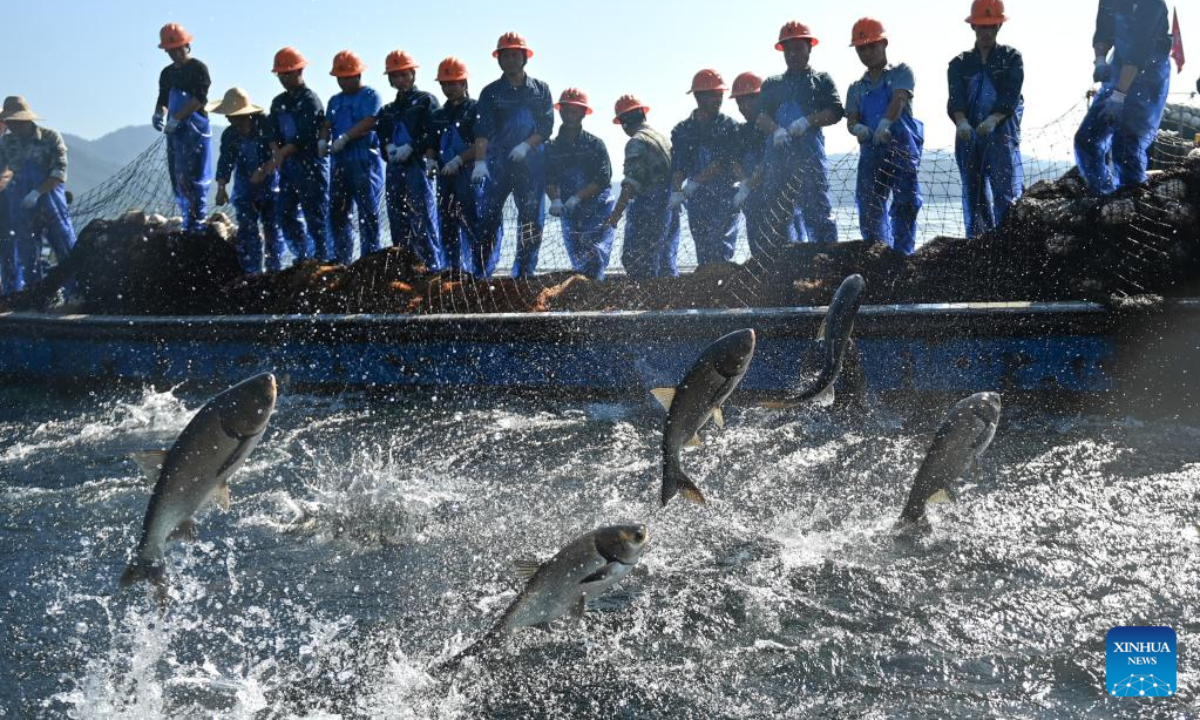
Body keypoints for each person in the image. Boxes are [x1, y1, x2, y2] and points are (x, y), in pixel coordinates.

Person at [755, 21, 845, 258]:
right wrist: (776, 130)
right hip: (778, 160)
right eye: (789, 49)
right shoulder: (772, 84)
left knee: (817, 210)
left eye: (798, 48)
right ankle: (785, 262)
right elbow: (759, 116)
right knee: (778, 211)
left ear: (809, 48)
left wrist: (808, 121)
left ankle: (825, 259)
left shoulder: (821, 80)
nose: (793, 54)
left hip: (810, 158)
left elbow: (835, 111)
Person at [472, 32, 554, 277]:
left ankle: (524, 274)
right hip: (498, 164)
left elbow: (546, 127)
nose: (510, 60)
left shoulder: (540, 90)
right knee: (488, 219)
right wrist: (479, 161)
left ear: (524, 57)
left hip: (531, 165)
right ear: (499, 59)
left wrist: (526, 145)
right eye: (505, 55)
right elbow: (482, 128)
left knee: (531, 220)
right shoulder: (490, 93)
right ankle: (482, 273)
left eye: (514, 55)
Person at [1075, 0, 1172, 195]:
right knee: (1086, 139)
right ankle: (1101, 195)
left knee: (1126, 144)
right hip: (1118, 65)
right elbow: (1103, 32)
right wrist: (1100, 60)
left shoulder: (1153, 4)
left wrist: (1119, 96)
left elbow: (1139, 51)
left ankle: (1132, 200)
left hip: (1150, 72)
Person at [845, 18, 924, 254]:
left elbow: (899, 99)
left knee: (905, 203)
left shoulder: (901, 72)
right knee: (869, 206)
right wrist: (857, 128)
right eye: (861, 48)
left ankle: (903, 254)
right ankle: (878, 254)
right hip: (871, 154)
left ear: (884, 43)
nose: (867, 52)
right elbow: (852, 118)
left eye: (872, 46)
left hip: (901, 149)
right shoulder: (856, 87)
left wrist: (885, 123)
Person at [948, 0, 1025, 238]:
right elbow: (956, 98)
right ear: (973, 28)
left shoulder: (1011, 58)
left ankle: (1006, 243)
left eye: (991, 26)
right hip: (968, 136)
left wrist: (994, 119)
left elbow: (1011, 95)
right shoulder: (959, 63)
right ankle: (979, 243)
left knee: (1005, 191)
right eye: (982, 27)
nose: (986, 32)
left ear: (999, 26)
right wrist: (961, 121)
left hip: (1001, 135)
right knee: (974, 193)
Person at [0, 96, 75, 294]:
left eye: (15, 122)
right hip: (20, 203)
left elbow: (60, 173)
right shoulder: (6, 143)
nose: (11, 126)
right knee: (26, 251)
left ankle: (74, 294)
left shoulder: (51, 137)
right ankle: (33, 295)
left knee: (63, 245)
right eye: (8, 122)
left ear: (26, 120)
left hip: (50, 198)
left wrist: (37, 192)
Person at [376, 50, 443, 270]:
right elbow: (382, 138)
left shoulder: (426, 101)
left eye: (404, 74)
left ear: (413, 75)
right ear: (390, 79)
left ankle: (431, 269)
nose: (400, 80)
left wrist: (413, 146)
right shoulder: (387, 110)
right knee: (398, 221)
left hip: (418, 167)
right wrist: (388, 147)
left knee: (423, 219)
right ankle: (405, 270)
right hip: (395, 171)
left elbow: (435, 132)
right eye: (395, 76)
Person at [670, 70, 741, 267]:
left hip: (725, 196)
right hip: (698, 201)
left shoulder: (729, 127)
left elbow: (723, 161)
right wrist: (677, 190)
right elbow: (679, 164)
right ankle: (709, 289)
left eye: (720, 94)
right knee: (703, 247)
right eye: (713, 95)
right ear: (698, 96)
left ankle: (722, 287)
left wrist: (693, 183)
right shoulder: (682, 130)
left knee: (720, 246)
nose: (719, 99)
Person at [603, 96, 680, 278]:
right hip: (670, 207)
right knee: (665, 262)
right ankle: (670, 303)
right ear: (643, 114)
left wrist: (615, 215)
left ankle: (647, 302)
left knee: (637, 261)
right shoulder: (661, 138)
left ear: (623, 123)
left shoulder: (636, 142)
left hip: (649, 209)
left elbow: (631, 184)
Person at [729, 72, 808, 247]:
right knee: (759, 253)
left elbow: (775, 159)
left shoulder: (778, 123)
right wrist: (743, 182)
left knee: (791, 248)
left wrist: (752, 182)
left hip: (783, 199)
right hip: (754, 204)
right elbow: (734, 160)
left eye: (749, 99)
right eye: (739, 101)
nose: (743, 106)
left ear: (761, 98)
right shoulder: (741, 132)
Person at [209, 88, 282, 275]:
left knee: (272, 227)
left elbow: (278, 154)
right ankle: (252, 272)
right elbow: (225, 161)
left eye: (232, 115)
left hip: (271, 186)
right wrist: (221, 187)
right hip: (245, 188)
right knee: (248, 229)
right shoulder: (230, 135)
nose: (228, 119)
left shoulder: (265, 126)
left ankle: (274, 270)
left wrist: (264, 169)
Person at [546, 88, 616, 280]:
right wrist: (555, 200)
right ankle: (584, 290)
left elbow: (602, 178)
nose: (569, 115)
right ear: (560, 111)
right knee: (577, 255)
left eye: (574, 111)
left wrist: (578, 197)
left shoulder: (595, 144)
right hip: (570, 211)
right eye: (566, 110)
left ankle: (595, 288)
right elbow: (549, 178)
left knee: (595, 253)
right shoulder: (552, 147)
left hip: (599, 208)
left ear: (584, 113)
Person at [269, 47, 331, 262]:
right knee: (285, 213)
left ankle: (322, 259)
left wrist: (282, 153)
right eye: (280, 74)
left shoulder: (310, 100)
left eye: (287, 73)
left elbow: (305, 135)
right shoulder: (278, 103)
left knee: (315, 214)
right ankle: (303, 255)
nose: (283, 78)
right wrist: (276, 151)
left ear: (299, 72)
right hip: (288, 167)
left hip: (310, 165)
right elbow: (272, 132)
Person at [323, 51, 385, 264]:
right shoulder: (335, 101)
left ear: (358, 75)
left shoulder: (370, 96)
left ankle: (370, 260)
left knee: (368, 213)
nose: (343, 82)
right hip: (340, 163)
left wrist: (346, 137)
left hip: (364, 161)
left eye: (347, 77)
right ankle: (341, 260)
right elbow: (326, 124)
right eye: (340, 78)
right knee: (338, 213)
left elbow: (369, 121)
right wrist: (323, 141)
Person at [152, 23, 213, 233]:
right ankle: (187, 220)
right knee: (179, 177)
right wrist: (159, 112)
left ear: (187, 45)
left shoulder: (198, 69)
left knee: (196, 178)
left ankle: (198, 223)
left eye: (178, 48)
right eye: (170, 51)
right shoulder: (167, 74)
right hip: (175, 134)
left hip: (196, 132)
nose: (175, 54)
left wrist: (177, 117)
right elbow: (162, 98)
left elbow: (200, 99)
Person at [431, 57, 490, 274]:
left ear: (464, 83)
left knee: (473, 222)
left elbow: (482, 141)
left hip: (469, 175)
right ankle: (452, 270)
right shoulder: (438, 115)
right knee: (447, 221)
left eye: (453, 83)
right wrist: (431, 160)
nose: (448, 88)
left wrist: (459, 160)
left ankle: (478, 272)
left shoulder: (476, 109)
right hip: (445, 177)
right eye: (445, 84)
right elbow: (431, 143)